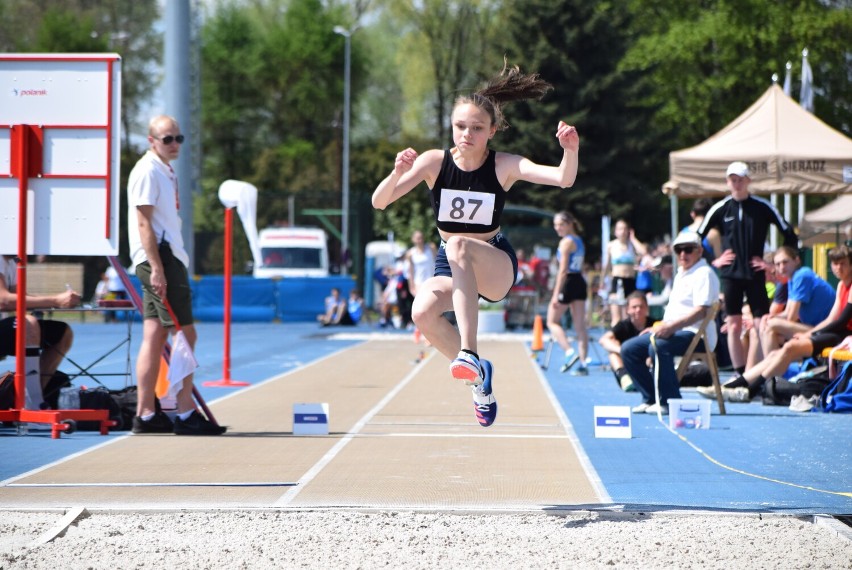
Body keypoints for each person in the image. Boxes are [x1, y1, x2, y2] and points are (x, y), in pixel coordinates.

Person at [372, 62, 579, 428]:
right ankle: (480, 378)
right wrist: (397, 172)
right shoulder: (434, 162)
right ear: (451, 128)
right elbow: (380, 201)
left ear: (492, 132)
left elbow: (563, 179)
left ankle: (469, 351)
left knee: (460, 247)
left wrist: (570, 149)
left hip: (494, 262)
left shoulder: (503, 166)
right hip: (451, 265)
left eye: (477, 128)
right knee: (421, 312)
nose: (467, 134)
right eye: (460, 126)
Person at [127, 115, 224, 435]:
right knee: (185, 334)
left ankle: (145, 413)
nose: (174, 144)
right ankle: (184, 413)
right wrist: (157, 267)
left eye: (178, 138)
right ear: (151, 140)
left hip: (164, 255)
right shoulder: (147, 170)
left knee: (154, 336)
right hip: (162, 257)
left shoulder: (163, 169)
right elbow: (144, 223)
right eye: (167, 138)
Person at [702, 245, 852, 402]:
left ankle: (753, 390)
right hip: (832, 333)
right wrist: (809, 334)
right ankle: (732, 386)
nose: (838, 268)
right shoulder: (841, 285)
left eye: (843, 263)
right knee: (775, 353)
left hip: (843, 337)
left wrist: (810, 334)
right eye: (835, 264)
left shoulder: (804, 276)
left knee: (787, 346)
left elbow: (841, 322)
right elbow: (832, 319)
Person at [697, 161, 797, 377]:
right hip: (731, 275)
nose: (737, 183)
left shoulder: (762, 206)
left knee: (761, 324)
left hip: (755, 274)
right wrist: (713, 261)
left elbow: (789, 233)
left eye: (741, 179)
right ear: (727, 182)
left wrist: (772, 263)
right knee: (733, 325)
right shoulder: (721, 208)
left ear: (748, 181)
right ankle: (740, 374)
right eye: (733, 179)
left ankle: (766, 373)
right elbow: (696, 238)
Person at [621, 232, 720, 414]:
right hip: (676, 330)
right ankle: (651, 397)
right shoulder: (683, 273)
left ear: (699, 251)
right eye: (678, 250)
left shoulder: (703, 274)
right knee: (629, 349)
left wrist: (670, 327)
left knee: (659, 346)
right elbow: (675, 312)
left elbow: (701, 311)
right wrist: (658, 327)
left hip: (697, 335)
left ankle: (670, 401)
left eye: (688, 250)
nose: (683, 254)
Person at [0, 255, 80, 408]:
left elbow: (19, 297)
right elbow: (3, 300)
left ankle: (34, 398)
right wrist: (54, 300)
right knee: (28, 323)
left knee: (62, 333)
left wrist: (58, 301)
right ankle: (30, 405)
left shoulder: (11, 261)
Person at [760, 246, 834, 354]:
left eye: (785, 262)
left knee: (771, 326)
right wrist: (770, 317)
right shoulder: (792, 279)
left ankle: (772, 367)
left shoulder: (802, 275)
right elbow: (787, 313)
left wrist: (773, 320)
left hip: (823, 331)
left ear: (797, 260)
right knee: (768, 327)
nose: (781, 267)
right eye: (778, 264)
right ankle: (768, 368)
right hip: (814, 328)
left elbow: (792, 317)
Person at [547, 211, 589, 375]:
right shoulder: (579, 240)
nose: (557, 228)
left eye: (561, 224)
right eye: (555, 225)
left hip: (569, 281)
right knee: (580, 326)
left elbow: (563, 270)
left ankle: (569, 352)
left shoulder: (566, 243)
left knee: (552, 321)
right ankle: (583, 364)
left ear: (570, 223)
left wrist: (556, 293)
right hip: (579, 280)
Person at [599, 291, 654, 392]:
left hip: (648, 366)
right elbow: (603, 340)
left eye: (641, 306)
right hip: (628, 368)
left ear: (647, 308)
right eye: (634, 307)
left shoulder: (654, 324)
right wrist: (624, 351)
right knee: (612, 350)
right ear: (628, 310)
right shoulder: (623, 326)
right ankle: (624, 378)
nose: (638, 310)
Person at [601, 219, 647, 327]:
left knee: (628, 314)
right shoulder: (611, 245)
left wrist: (633, 239)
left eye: (625, 229)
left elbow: (644, 252)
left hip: (630, 281)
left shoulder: (631, 245)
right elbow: (607, 265)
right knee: (616, 315)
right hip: (617, 280)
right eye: (620, 229)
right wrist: (602, 280)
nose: (622, 231)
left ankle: (628, 339)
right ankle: (616, 337)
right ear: (616, 231)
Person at [682, 198, 721, 264]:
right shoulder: (713, 233)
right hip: (709, 272)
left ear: (692, 214)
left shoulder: (683, 233)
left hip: (690, 273)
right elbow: (719, 259)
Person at [405, 230, 437, 297]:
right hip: (419, 283)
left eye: (421, 238)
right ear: (413, 239)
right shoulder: (410, 254)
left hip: (432, 281)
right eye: (418, 238)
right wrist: (411, 286)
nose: (420, 240)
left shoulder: (431, 248)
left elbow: (438, 263)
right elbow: (410, 271)